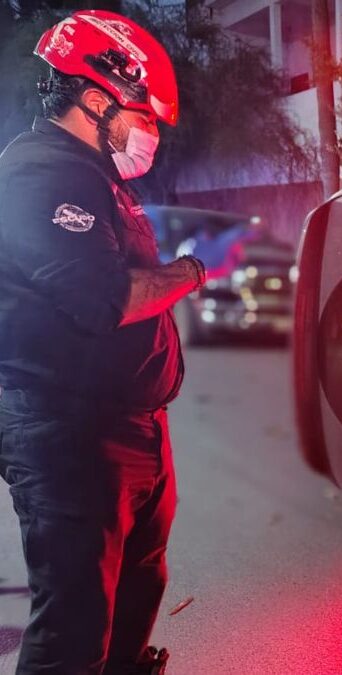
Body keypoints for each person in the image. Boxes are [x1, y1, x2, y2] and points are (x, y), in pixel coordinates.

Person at [0, 11, 216, 674]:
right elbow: (107, 299)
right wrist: (191, 271)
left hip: (129, 428)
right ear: (96, 100)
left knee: (132, 597)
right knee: (73, 625)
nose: (148, 132)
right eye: (141, 114)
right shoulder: (40, 175)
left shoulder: (97, 178)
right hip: (68, 432)